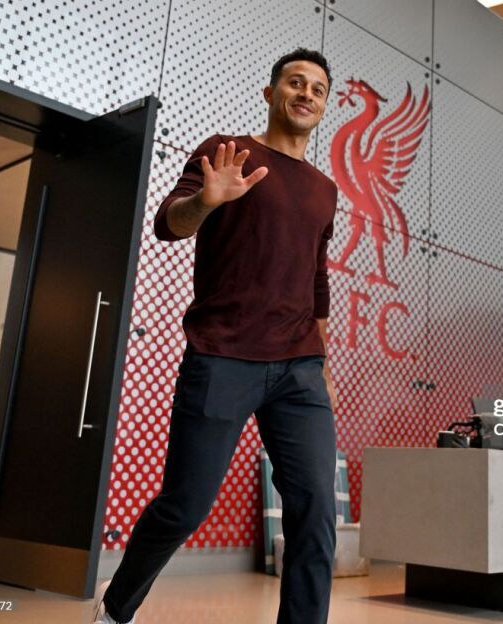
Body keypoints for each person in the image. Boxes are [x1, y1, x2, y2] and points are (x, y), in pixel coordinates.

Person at [93, 47, 339, 624]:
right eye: (295, 82)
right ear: (271, 93)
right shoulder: (227, 151)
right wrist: (206, 200)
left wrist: (323, 367)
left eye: (317, 89)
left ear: (324, 105)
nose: (306, 94)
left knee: (315, 512)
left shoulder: (325, 189)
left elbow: (317, 278)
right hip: (223, 355)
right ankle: (116, 611)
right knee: (185, 504)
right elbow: (169, 224)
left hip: (300, 368)